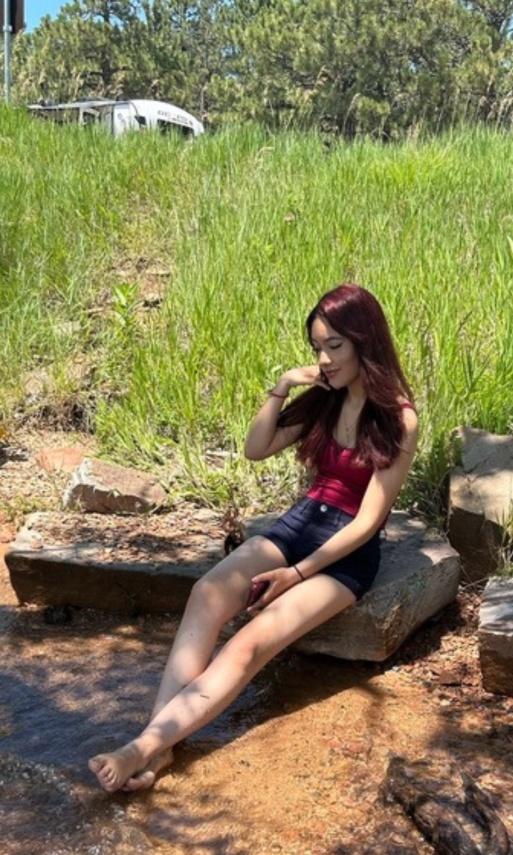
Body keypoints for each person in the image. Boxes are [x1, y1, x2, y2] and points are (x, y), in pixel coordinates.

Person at [89, 284, 419, 792]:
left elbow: (368, 522)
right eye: (316, 348)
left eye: (335, 346)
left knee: (247, 645)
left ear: (364, 342)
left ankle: (143, 748)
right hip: (302, 521)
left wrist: (296, 574)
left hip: (345, 556)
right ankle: (159, 745)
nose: (323, 359)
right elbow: (256, 448)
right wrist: (284, 384)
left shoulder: (398, 418)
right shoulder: (323, 399)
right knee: (206, 592)